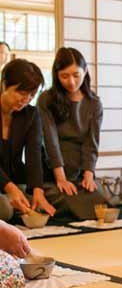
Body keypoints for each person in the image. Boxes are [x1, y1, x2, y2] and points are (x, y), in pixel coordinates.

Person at [37, 47, 108, 220]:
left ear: (85, 72)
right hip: (52, 171)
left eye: (76, 75)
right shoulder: (46, 99)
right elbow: (50, 141)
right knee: (66, 199)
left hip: (80, 170)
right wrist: (60, 178)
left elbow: (92, 143)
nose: (71, 81)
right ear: (56, 75)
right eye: (64, 76)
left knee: (100, 204)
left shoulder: (94, 103)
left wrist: (88, 175)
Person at [0, 59, 55, 221]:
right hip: (6, 183)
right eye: (22, 93)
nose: (26, 99)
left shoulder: (31, 115)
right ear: (4, 85)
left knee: (40, 201)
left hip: (16, 177)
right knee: (5, 208)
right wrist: (9, 188)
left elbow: (34, 154)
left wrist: (38, 190)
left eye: (32, 95)